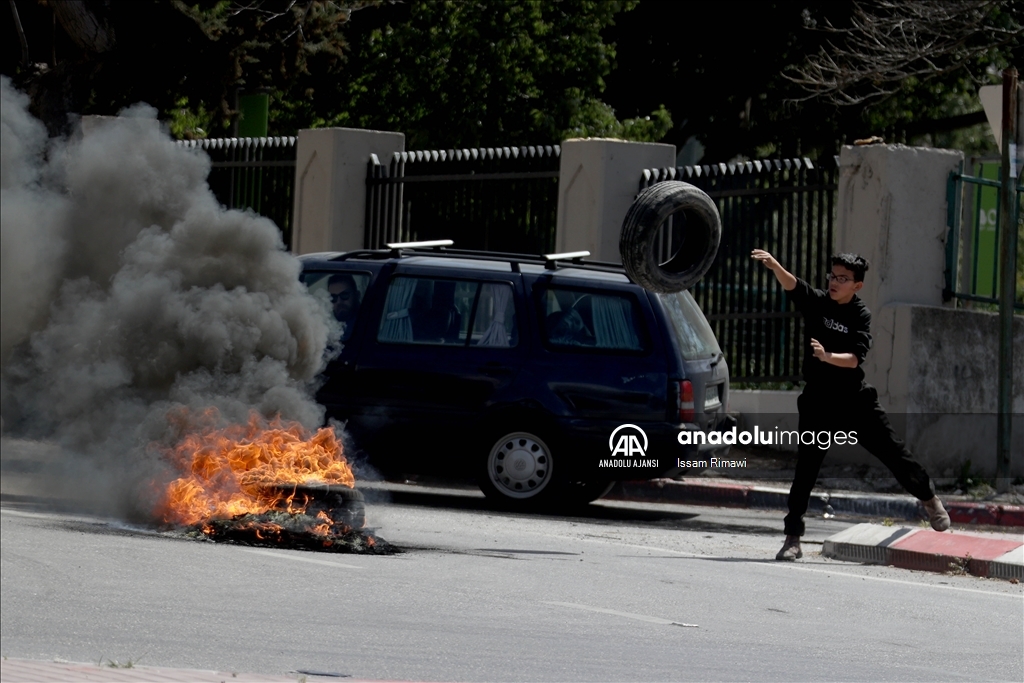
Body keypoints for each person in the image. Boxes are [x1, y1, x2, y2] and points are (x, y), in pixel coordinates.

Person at [750, 249, 950, 561]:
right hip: (818, 401)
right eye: (833, 275)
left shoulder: (860, 315)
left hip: (854, 399)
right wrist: (775, 265)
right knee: (806, 469)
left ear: (856, 285)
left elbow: (855, 358)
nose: (834, 282)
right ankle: (792, 538)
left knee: (893, 452)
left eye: (843, 278)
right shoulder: (818, 302)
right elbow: (794, 285)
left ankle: (928, 497)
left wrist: (828, 356)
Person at [327, 273, 361, 341]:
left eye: (344, 295)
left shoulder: (363, 326)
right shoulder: (341, 327)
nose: (339, 302)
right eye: (333, 297)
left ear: (357, 295)